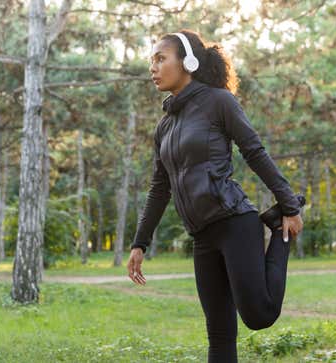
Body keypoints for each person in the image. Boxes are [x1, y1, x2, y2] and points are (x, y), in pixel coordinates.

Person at [126, 29, 304, 362]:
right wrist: (140, 243)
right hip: (203, 236)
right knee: (220, 335)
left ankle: (279, 229)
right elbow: (159, 188)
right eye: (152, 61)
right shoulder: (164, 127)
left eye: (160, 59)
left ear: (187, 62)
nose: (153, 68)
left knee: (259, 315)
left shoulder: (219, 102)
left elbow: (254, 151)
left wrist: (290, 205)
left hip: (235, 222)